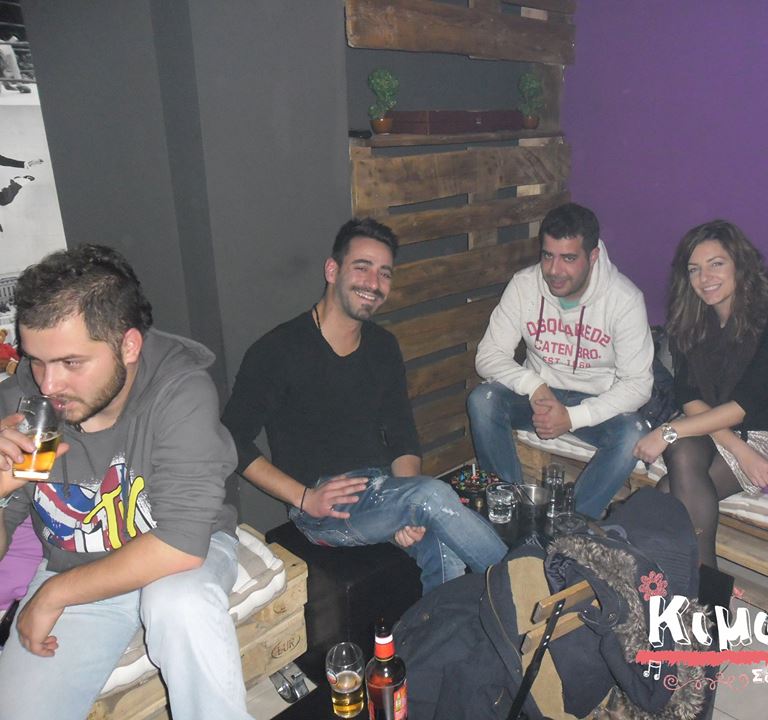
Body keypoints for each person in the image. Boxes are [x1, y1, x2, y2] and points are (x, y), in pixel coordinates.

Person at [0, 245, 251, 720]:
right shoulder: (23, 404)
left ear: (129, 346)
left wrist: (53, 593)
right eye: (36, 360)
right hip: (76, 561)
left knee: (179, 603)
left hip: (178, 559)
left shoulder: (179, 390)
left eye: (71, 363)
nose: (48, 385)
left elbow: (180, 545)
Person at [221, 217, 507, 594]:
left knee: (443, 549)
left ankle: (444, 630)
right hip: (325, 507)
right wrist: (304, 498)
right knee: (435, 495)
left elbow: (402, 435)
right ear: (332, 270)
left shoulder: (382, 346)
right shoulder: (279, 351)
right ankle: (532, 590)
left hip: (383, 491)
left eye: (384, 273)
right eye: (362, 267)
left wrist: (407, 508)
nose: (374, 283)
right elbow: (229, 438)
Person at [467, 202, 655, 519]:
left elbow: (638, 385)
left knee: (633, 433)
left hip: (595, 401)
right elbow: (488, 354)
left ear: (593, 257)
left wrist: (573, 417)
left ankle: (570, 524)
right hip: (537, 396)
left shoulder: (624, 300)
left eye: (568, 258)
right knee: (482, 400)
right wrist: (534, 386)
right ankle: (511, 509)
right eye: (547, 255)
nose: (554, 270)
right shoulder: (524, 285)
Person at [633, 220, 768, 568]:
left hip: (763, 435)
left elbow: (743, 407)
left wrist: (667, 430)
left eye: (716, 264)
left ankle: (691, 586)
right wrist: (737, 449)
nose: (704, 277)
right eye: (695, 269)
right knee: (680, 452)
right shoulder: (689, 322)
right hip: (712, 430)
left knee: (667, 495)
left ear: (740, 264)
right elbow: (688, 396)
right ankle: (701, 588)